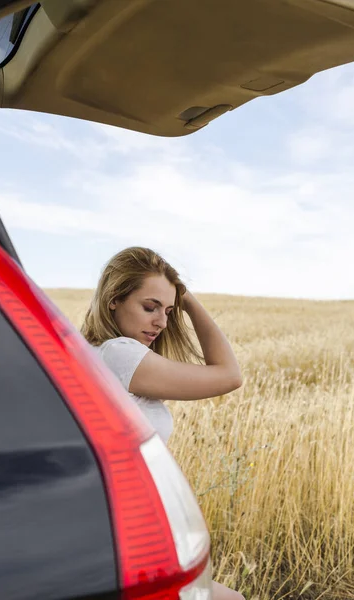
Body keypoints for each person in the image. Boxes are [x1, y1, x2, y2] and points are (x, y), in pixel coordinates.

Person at [81, 247, 244, 600]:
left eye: (170, 311)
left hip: (120, 533)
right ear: (114, 299)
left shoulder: (91, 352)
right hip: (124, 538)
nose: (162, 322)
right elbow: (230, 375)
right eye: (150, 307)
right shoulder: (119, 354)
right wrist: (188, 300)